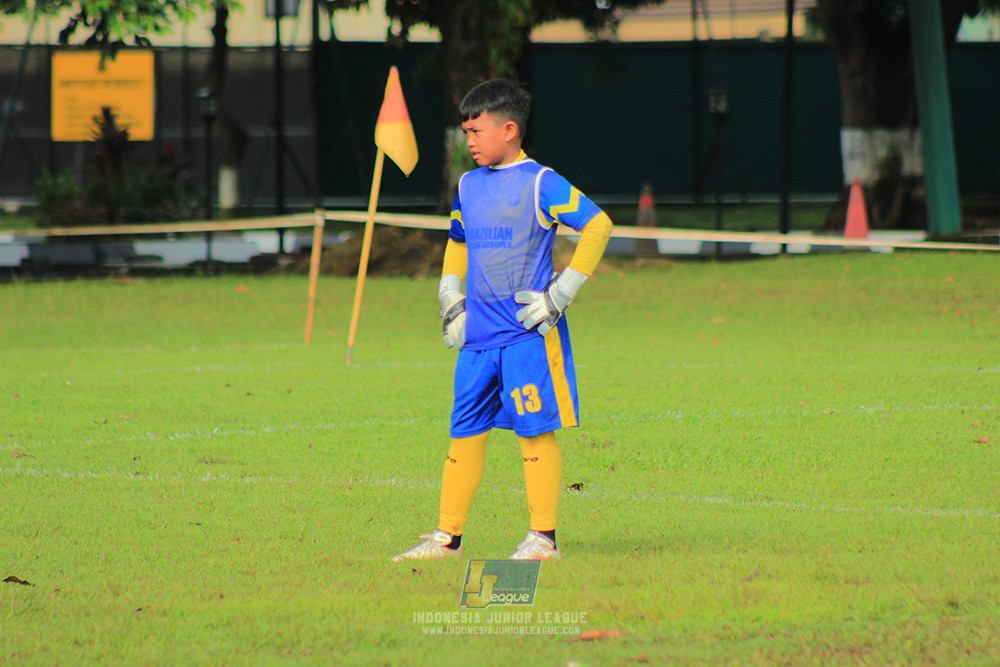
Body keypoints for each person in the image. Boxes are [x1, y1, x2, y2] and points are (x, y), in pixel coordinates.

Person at [392, 79, 612, 562]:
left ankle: (543, 540)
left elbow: (598, 225)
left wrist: (560, 295)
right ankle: (446, 538)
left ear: (509, 129)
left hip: (527, 338)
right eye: (464, 131)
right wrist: (451, 295)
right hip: (477, 340)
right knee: (463, 432)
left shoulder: (541, 182)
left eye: (477, 130)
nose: (469, 140)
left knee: (533, 431)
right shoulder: (468, 185)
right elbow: (458, 240)